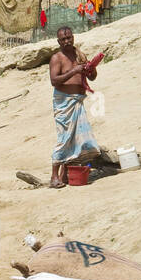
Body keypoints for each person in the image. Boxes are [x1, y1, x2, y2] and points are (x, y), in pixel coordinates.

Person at [49, 25, 100, 189]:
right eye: (63, 39)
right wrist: (74, 71)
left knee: (75, 138)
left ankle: (65, 174)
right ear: (58, 41)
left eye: (69, 38)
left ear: (73, 37)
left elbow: (92, 77)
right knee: (64, 138)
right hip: (64, 102)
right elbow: (54, 81)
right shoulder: (57, 58)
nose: (67, 41)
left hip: (78, 101)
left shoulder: (79, 54)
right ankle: (54, 176)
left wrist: (90, 70)